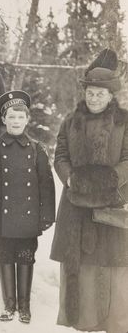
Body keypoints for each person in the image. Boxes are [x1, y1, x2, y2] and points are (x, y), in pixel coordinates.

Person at [50, 49, 128, 333]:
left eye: (100, 94)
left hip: (112, 203)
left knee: (112, 265)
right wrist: (69, 178)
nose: (94, 98)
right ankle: (83, 322)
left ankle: (115, 323)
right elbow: (59, 154)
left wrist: (109, 179)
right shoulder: (70, 121)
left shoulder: (124, 121)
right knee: (80, 266)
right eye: (91, 93)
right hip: (76, 206)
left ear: (111, 96)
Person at [0, 90, 55, 324]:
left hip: (28, 218)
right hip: (1, 217)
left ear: (27, 120)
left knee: (25, 258)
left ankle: (25, 307)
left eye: (20, 117)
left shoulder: (36, 148)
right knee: (4, 257)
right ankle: (9, 305)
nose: (15, 121)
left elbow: (47, 185)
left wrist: (47, 215)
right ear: (4, 120)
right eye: (11, 117)